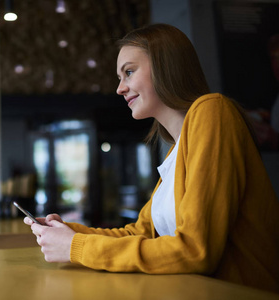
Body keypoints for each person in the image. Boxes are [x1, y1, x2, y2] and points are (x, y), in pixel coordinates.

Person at [23, 23, 279, 293]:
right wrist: (69, 233)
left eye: (129, 72)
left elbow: (195, 251)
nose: (120, 88)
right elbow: (141, 233)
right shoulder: (176, 150)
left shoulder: (213, 111)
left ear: (165, 66)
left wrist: (76, 247)